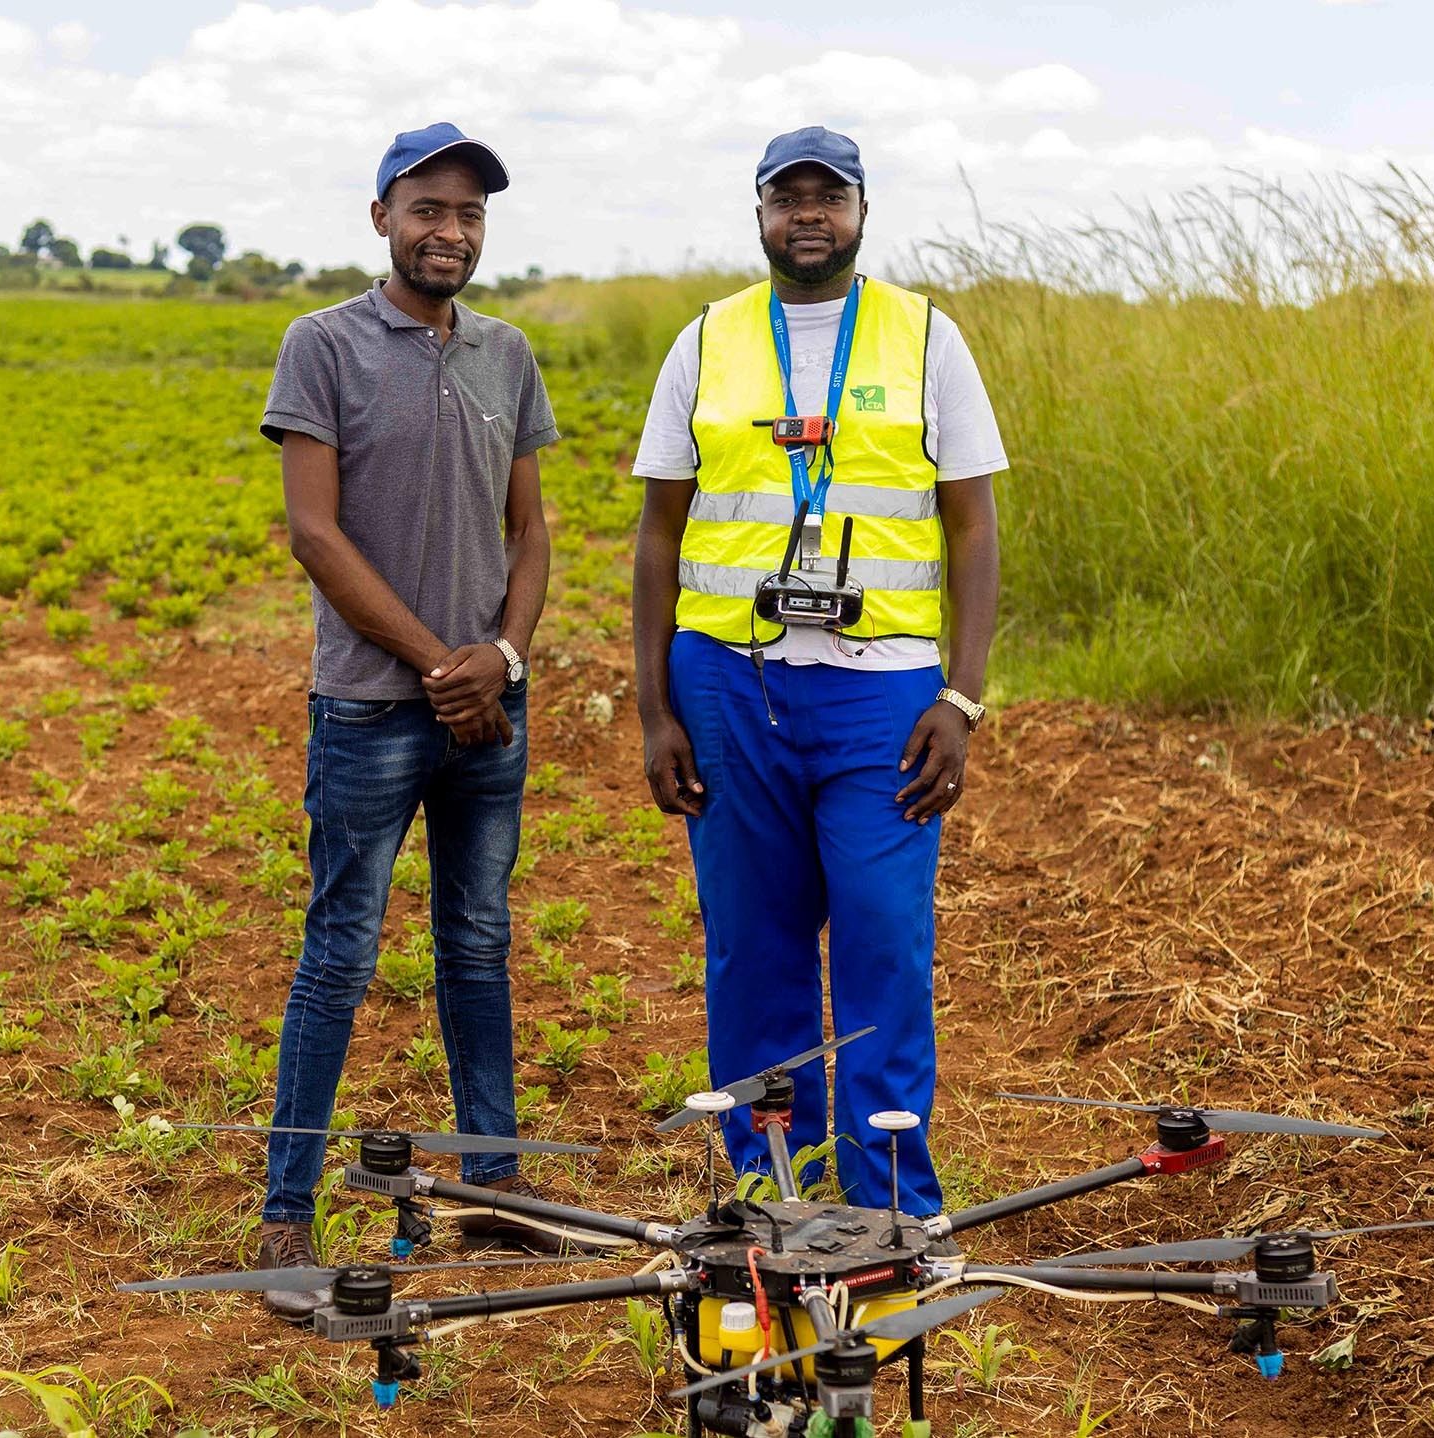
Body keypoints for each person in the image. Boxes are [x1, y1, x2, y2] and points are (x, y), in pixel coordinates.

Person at [631, 126, 1004, 1218]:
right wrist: (656, 708)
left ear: (860, 211)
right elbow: (658, 536)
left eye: (827, 196)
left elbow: (972, 529)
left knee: (886, 942)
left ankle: (890, 1195)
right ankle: (771, 1191)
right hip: (729, 686)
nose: (808, 214)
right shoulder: (705, 340)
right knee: (756, 948)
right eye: (786, 197)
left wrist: (961, 696)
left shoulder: (928, 338)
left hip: (881, 691)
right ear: (757, 214)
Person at [255, 122, 561, 1319]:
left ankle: (496, 1185)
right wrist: (447, 665)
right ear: (381, 217)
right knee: (340, 948)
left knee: (478, 940)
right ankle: (289, 1197)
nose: (452, 231)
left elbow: (531, 530)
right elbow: (314, 534)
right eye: (429, 209)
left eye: (471, 214)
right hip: (375, 711)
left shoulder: (507, 353)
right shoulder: (321, 345)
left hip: (492, 708)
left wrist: (507, 656)